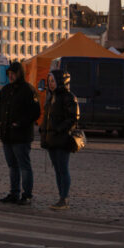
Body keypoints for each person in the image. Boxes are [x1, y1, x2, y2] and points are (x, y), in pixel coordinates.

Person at [0, 61, 41, 205]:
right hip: (7, 135)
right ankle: (14, 193)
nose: (11, 76)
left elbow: (36, 112)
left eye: (13, 74)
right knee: (12, 166)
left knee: (24, 166)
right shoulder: (5, 90)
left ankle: (27, 195)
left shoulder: (28, 90)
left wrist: (20, 123)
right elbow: (0, 108)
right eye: (9, 74)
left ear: (19, 74)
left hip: (21, 136)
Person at [41, 69, 79, 211]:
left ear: (60, 82)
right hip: (51, 139)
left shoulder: (68, 97)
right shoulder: (51, 97)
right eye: (49, 81)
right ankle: (61, 197)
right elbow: (47, 118)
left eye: (53, 81)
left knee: (63, 169)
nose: (51, 84)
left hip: (62, 139)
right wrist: (44, 132)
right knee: (57, 170)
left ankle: (64, 198)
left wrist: (59, 128)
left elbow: (73, 118)